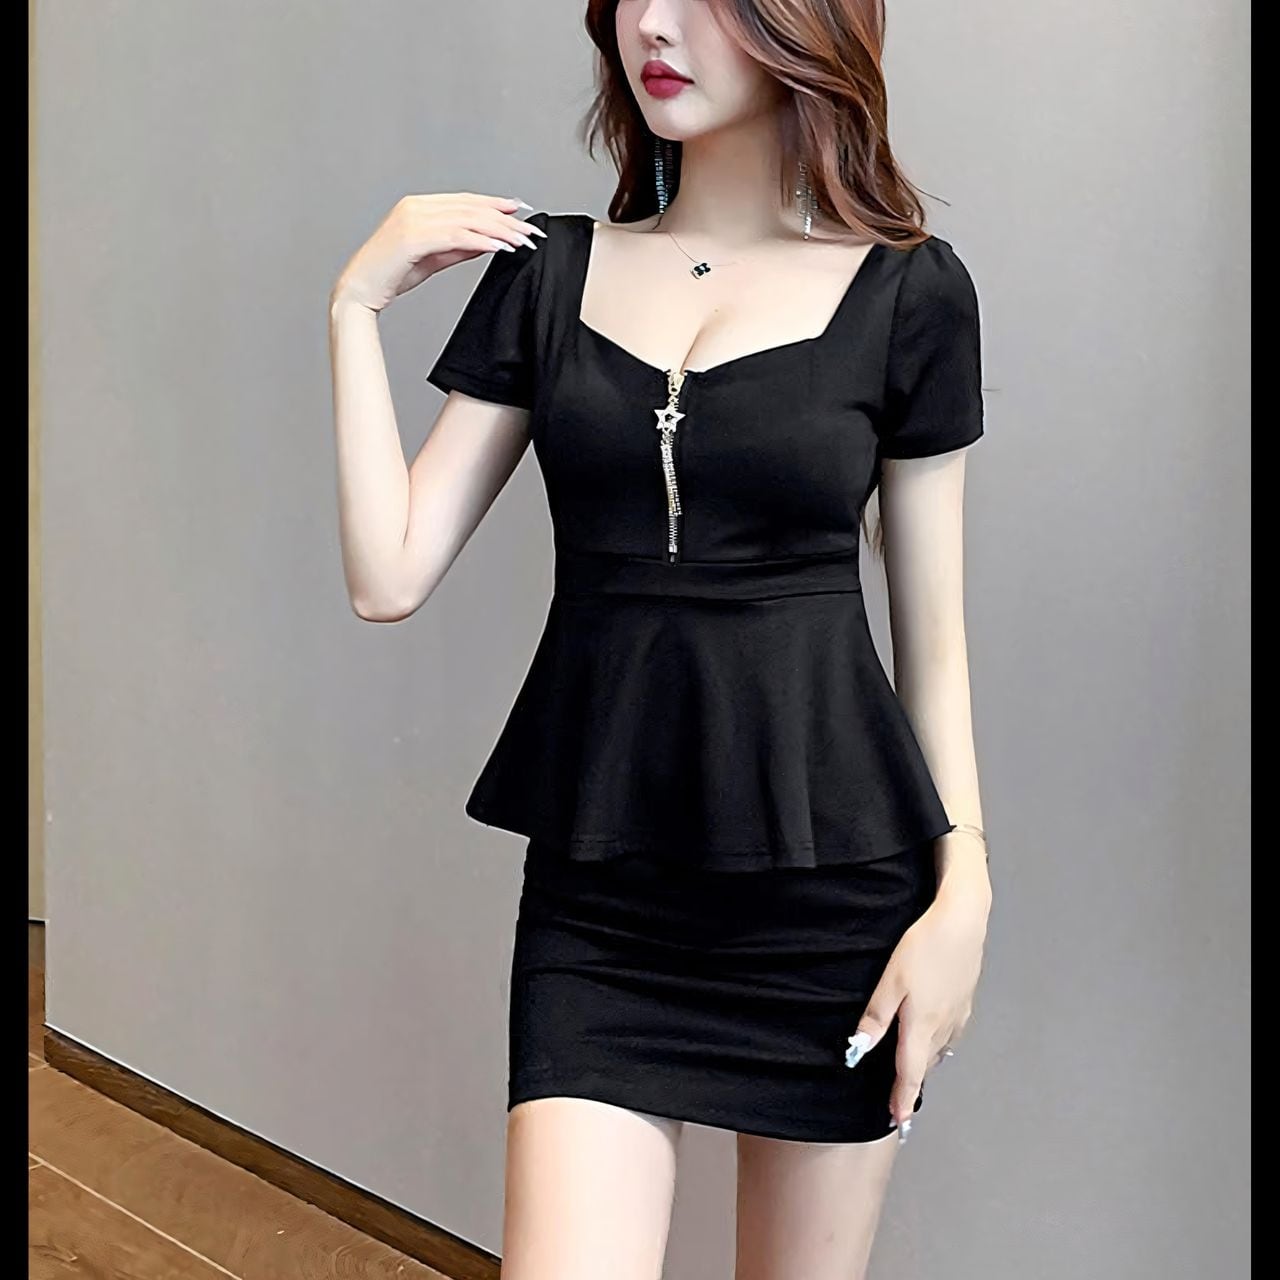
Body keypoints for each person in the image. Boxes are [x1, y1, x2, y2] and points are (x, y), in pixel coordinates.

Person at [329, 2, 991, 1276]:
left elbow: (934, 646)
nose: (654, 23)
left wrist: (962, 893)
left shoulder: (909, 291)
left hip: (834, 896)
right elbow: (387, 574)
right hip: (604, 896)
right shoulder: (547, 274)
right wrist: (355, 308)